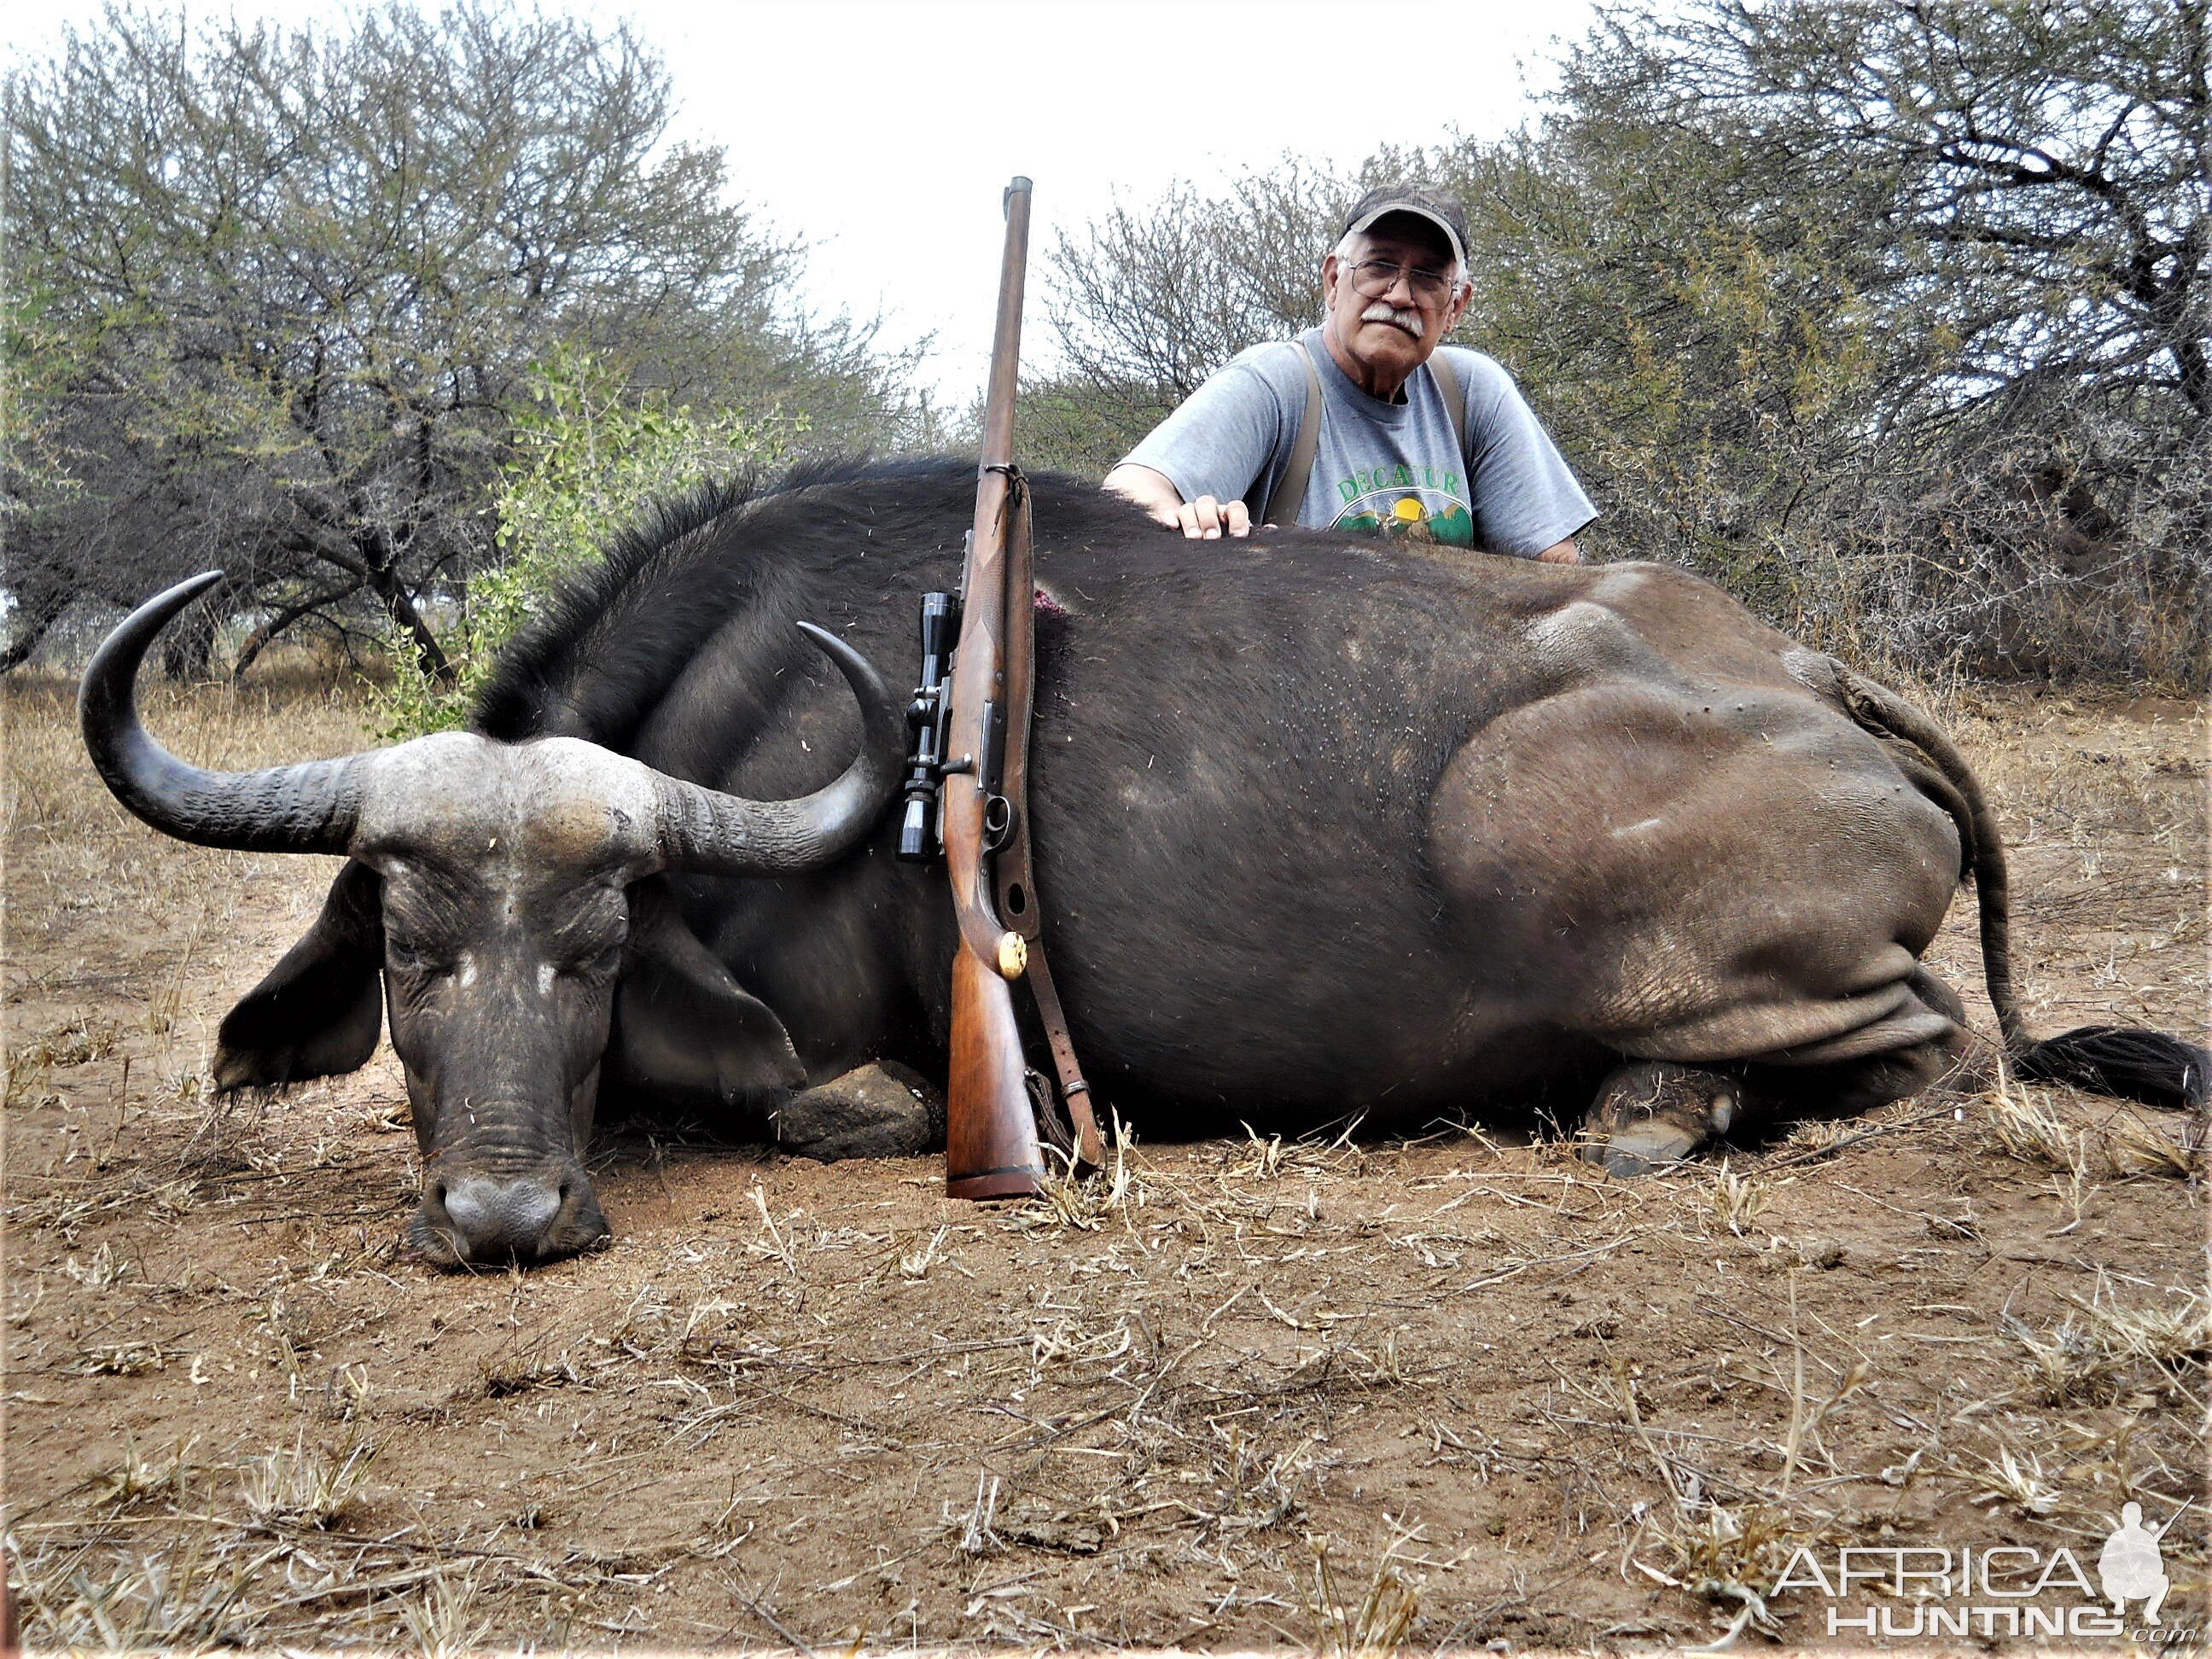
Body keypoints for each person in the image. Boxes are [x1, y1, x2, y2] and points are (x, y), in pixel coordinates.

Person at [1103, 183, 1594, 563]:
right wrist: (1191, 522)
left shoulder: (1472, 392)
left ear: (1455, 307)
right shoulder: (1275, 382)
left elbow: (1552, 564)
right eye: (1380, 266)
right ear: (1334, 279)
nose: (1400, 295)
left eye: (1427, 277)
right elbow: (1126, 499)